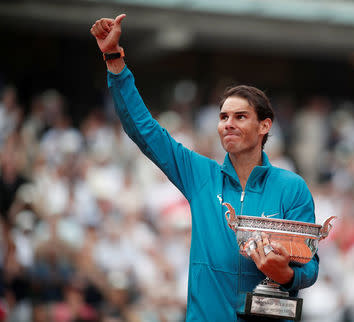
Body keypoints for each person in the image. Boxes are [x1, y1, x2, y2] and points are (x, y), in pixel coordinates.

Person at [90, 14, 319, 321]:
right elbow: (144, 131)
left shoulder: (291, 187)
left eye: (240, 117)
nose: (228, 124)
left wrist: (286, 274)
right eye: (223, 117)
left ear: (265, 125)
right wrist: (114, 60)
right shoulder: (200, 175)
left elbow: (311, 266)